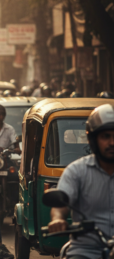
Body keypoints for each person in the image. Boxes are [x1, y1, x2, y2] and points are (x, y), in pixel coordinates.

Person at [47, 103, 114, 259]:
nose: (112, 142)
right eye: (106, 136)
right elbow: (60, 205)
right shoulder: (76, 171)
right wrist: (58, 220)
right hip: (86, 250)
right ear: (92, 139)